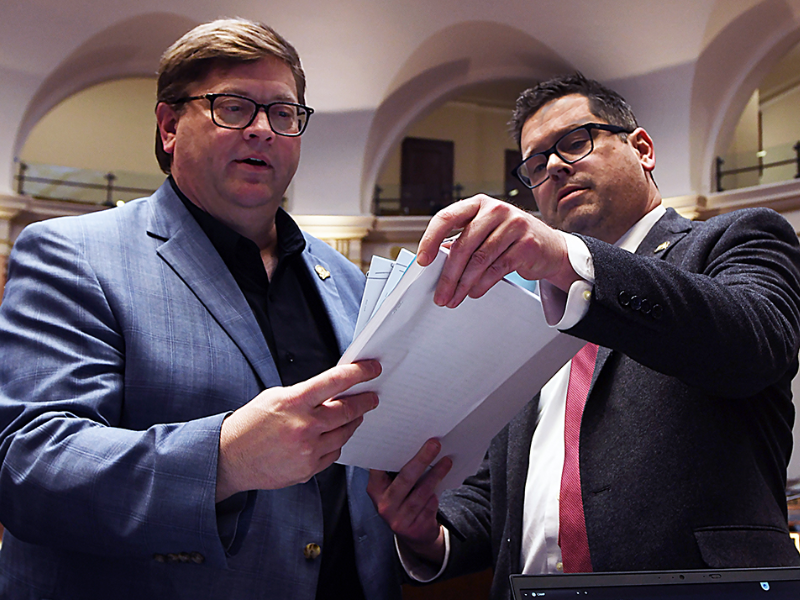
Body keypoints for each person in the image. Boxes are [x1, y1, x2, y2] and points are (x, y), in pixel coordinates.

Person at [0, 18, 402, 599]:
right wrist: (225, 459)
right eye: (234, 107)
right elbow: (29, 467)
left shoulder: (346, 278)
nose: (263, 130)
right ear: (168, 127)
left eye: (283, 114)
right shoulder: (73, 253)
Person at [368, 73, 800, 600]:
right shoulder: (530, 315)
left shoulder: (737, 237)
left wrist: (572, 261)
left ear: (642, 149)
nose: (552, 166)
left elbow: (755, 344)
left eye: (575, 142)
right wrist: (429, 535)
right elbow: (506, 498)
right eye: (534, 163)